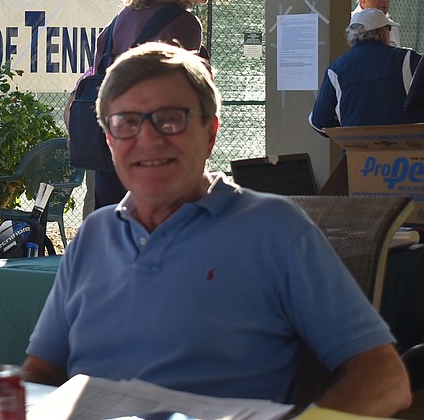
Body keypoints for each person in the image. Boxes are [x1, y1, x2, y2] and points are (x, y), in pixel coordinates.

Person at [21, 43, 411, 415]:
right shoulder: (94, 235)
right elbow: (40, 372)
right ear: (109, 140)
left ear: (210, 133)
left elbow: (385, 380)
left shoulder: (275, 229)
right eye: (126, 122)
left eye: (171, 119)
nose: (148, 139)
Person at [71, 0, 215, 209]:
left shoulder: (121, 19)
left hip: (109, 143)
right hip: (153, 151)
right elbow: (179, 99)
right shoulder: (184, 25)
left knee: (115, 225)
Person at [308, 7, 419, 135]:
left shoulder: (336, 69)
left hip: (355, 146)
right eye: (388, 29)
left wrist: (346, 130)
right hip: (404, 144)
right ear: (382, 33)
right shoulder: (407, 60)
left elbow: (318, 122)